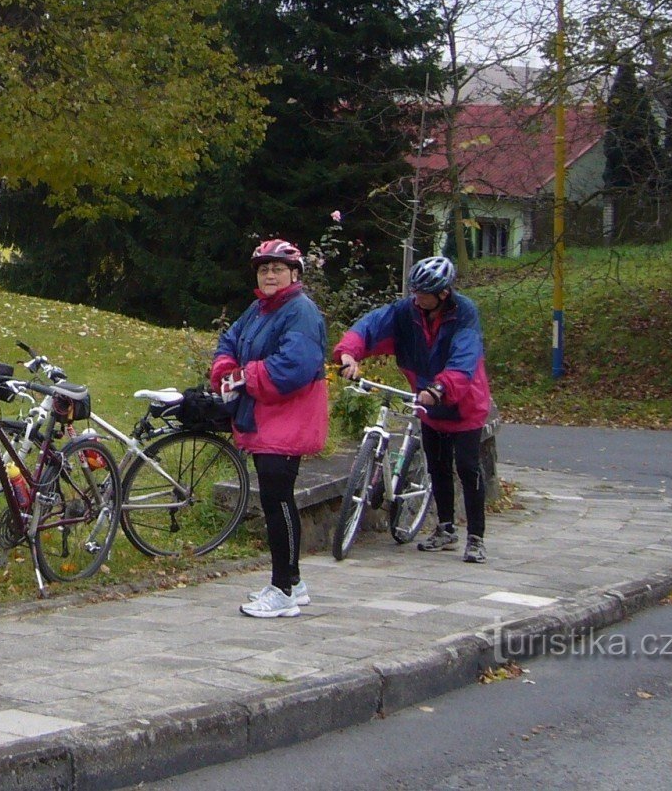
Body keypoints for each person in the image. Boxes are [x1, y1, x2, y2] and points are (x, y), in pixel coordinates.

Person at [336, 255, 494, 564]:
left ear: (443, 294)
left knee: (466, 466)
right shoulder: (407, 312)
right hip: (427, 400)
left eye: (423, 292)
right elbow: (370, 326)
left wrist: (440, 389)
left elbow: (464, 359)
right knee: (436, 466)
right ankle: (446, 529)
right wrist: (348, 354)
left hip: (462, 403)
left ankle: (476, 537)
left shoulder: (465, 314)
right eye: (414, 290)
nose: (415, 297)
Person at [210, 238, 328, 618]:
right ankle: (292, 579)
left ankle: (284, 591)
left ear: (294, 273)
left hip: (288, 418)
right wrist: (225, 368)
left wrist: (245, 375)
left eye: (277, 268)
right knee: (277, 498)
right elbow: (230, 339)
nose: (270, 274)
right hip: (267, 418)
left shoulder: (301, 312)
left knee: (278, 500)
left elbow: (294, 365)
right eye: (264, 269)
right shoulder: (260, 308)